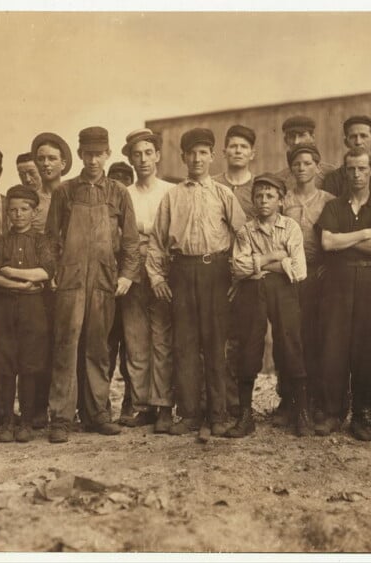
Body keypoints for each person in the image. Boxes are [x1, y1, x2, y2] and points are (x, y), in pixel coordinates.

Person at [147, 127, 247, 439]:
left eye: (204, 152)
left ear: (212, 156)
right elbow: (156, 241)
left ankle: (217, 415)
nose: (197, 158)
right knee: (185, 344)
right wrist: (156, 277)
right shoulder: (172, 197)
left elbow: (244, 236)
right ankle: (189, 414)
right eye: (192, 153)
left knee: (216, 344)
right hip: (182, 271)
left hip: (215, 272)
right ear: (183, 157)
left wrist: (238, 276)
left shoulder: (223, 194)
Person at [45, 126, 140, 443]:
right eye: (88, 154)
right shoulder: (65, 192)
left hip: (103, 278)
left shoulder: (118, 192)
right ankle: (60, 417)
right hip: (71, 279)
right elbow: (49, 240)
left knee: (99, 347)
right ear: (81, 155)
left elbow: (130, 243)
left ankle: (97, 413)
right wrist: (53, 270)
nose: (94, 159)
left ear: (108, 154)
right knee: (66, 346)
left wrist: (126, 275)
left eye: (100, 154)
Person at [316, 147, 371, 440]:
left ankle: (363, 416)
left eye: (362, 169)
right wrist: (363, 234)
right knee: (333, 347)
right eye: (351, 169)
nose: (357, 175)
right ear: (345, 172)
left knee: (366, 350)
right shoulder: (334, 207)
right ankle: (333, 413)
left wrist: (343, 240)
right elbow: (327, 244)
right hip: (338, 282)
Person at [229, 173, 308, 437]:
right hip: (253, 291)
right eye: (259, 196)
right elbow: (238, 269)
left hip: (284, 291)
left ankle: (300, 413)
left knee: (290, 344)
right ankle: (244, 416)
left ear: (281, 201)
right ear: (252, 201)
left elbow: (298, 270)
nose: (263, 201)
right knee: (250, 345)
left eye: (270, 196)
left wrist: (259, 263)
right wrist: (276, 257)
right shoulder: (245, 231)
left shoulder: (291, 228)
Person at [0, 186, 55, 443]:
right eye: (13, 209)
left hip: (33, 311)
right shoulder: (2, 241)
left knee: (30, 364)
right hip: (3, 309)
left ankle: (26, 420)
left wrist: (11, 272)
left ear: (34, 212)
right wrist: (19, 284)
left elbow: (46, 272)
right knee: (3, 364)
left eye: (24, 209)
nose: (18, 214)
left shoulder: (40, 241)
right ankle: (5, 421)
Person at [118, 128, 175, 432]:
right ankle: (143, 406)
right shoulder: (124, 193)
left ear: (157, 156)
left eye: (148, 153)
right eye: (136, 154)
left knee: (162, 339)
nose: (142, 159)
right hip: (131, 270)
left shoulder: (169, 191)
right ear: (130, 158)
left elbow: (170, 233)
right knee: (135, 340)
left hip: (162, 270)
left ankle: (164, 404)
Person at [280, 143, 335, 426]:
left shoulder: (328, 200)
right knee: (288, 338)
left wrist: (327, 265)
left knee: (315, 339)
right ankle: (288, 402)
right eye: (296, 164)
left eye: (307, 163)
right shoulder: (283, 200)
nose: (301, 168)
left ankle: (316, 402)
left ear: (317, 166)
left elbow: (334, 238)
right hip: (287, 276)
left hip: (317, 276)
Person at [212, 124, 258, 420]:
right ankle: (217, 402)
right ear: (224, 151)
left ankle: (243, 404)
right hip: (215, 273)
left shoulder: (261, 188)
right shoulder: (212, 184)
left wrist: (243, 273)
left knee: (246, 339)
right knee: (216, 338)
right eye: (233, 146)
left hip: (249, 275)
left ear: (252, 153)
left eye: (244, 146)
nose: (238, 151)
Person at [30, 132, 74, 429]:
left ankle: (69, 408)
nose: (46, 164)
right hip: (35, 283)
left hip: (68, 279)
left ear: (64, 162)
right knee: (38, 345)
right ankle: (36, 409)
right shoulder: (30, 200)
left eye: (52, 159)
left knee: (68, 344)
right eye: (41, 159)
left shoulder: (73, 194)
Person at [105, 160, 136, 424]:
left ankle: (130, 401)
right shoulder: (102, 211)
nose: (120, 183)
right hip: (103, 287)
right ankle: (100, 402)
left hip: (129, 287)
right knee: (104, 347)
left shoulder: (131, 210)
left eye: (125, 178)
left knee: (130, 348)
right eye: (115, 178)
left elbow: (133, 247)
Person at [323, 115, 371, 204]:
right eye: (353, 137)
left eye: (363, 136)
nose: (358, 142)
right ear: (346, 142)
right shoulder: (333, 178)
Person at [274, 116, 336, 196]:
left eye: (301, 135)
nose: (296, 142)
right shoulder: (279, 179)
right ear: (286, 140)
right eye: (292, 136)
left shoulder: (330, 173)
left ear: (312, 138)